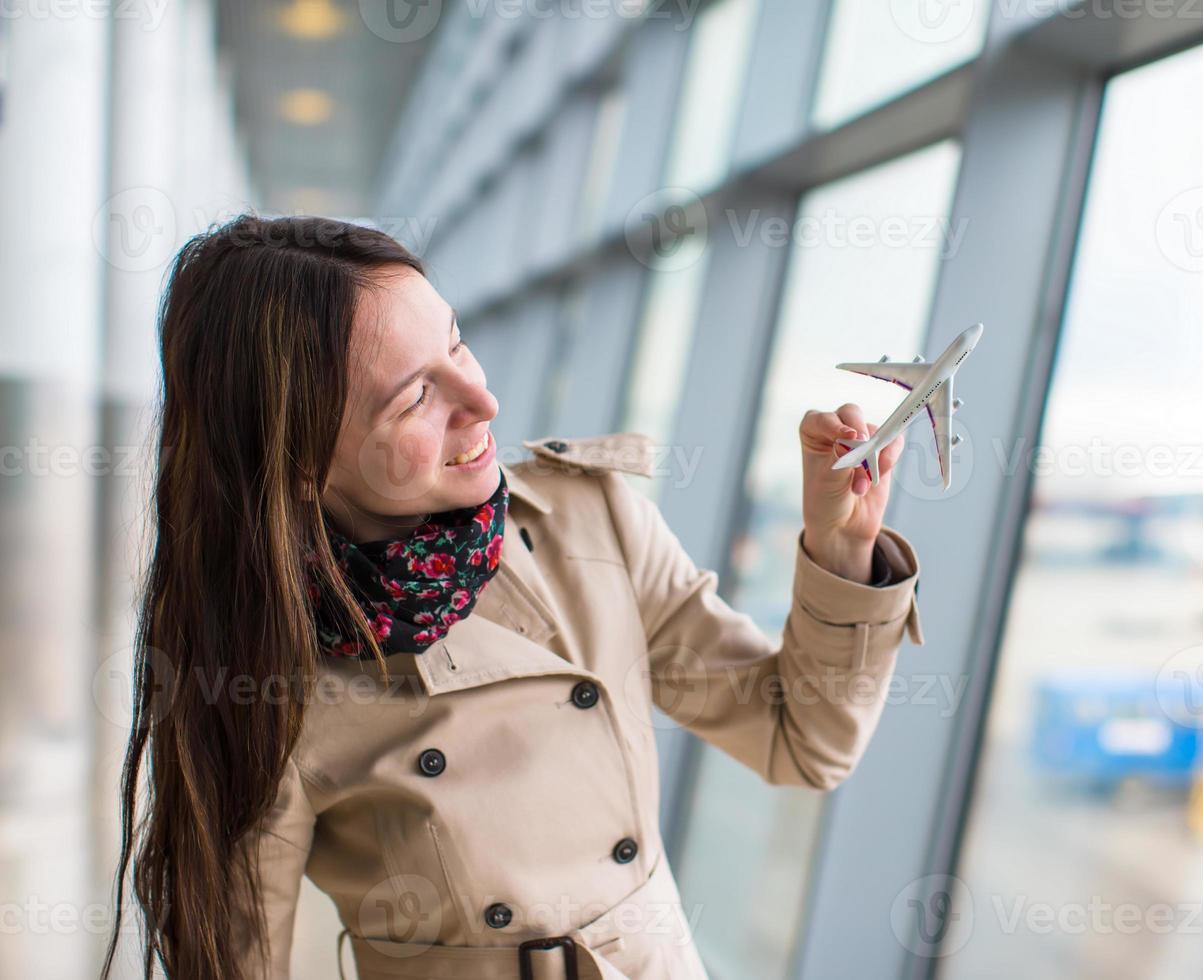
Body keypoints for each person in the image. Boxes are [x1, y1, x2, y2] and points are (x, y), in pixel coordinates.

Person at [100, 214, 925, 980]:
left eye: (457, 347)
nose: (484, 403)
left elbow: (803, 738)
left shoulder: (586, 521)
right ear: (301, 459)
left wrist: (842, 548)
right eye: (417, 396)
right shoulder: (261, 679)